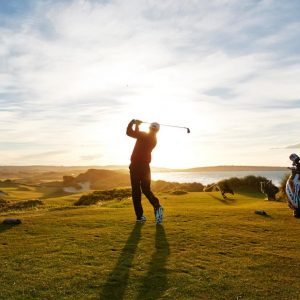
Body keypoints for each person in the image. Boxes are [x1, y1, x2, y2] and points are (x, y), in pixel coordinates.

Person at [126, 119, 164, 224]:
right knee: (146, 190)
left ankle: (140, 216)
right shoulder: (153, 139)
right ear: (157, 131)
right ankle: (157, 206)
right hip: (145, 167)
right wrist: (137, 126)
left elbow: (129, 133)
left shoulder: (144, 135)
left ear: (149, 128)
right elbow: (137, 135)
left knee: (136, 192)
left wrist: (133, 123)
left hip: (135, 166)